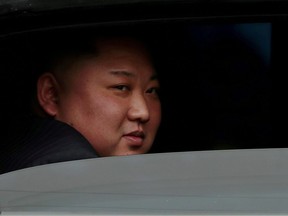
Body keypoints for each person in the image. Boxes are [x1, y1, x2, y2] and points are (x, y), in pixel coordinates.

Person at [1, 29, 162, 173]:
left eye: (151, 90)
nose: (143, 112)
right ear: (52, 94)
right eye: (121, 87)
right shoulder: (62, 172)